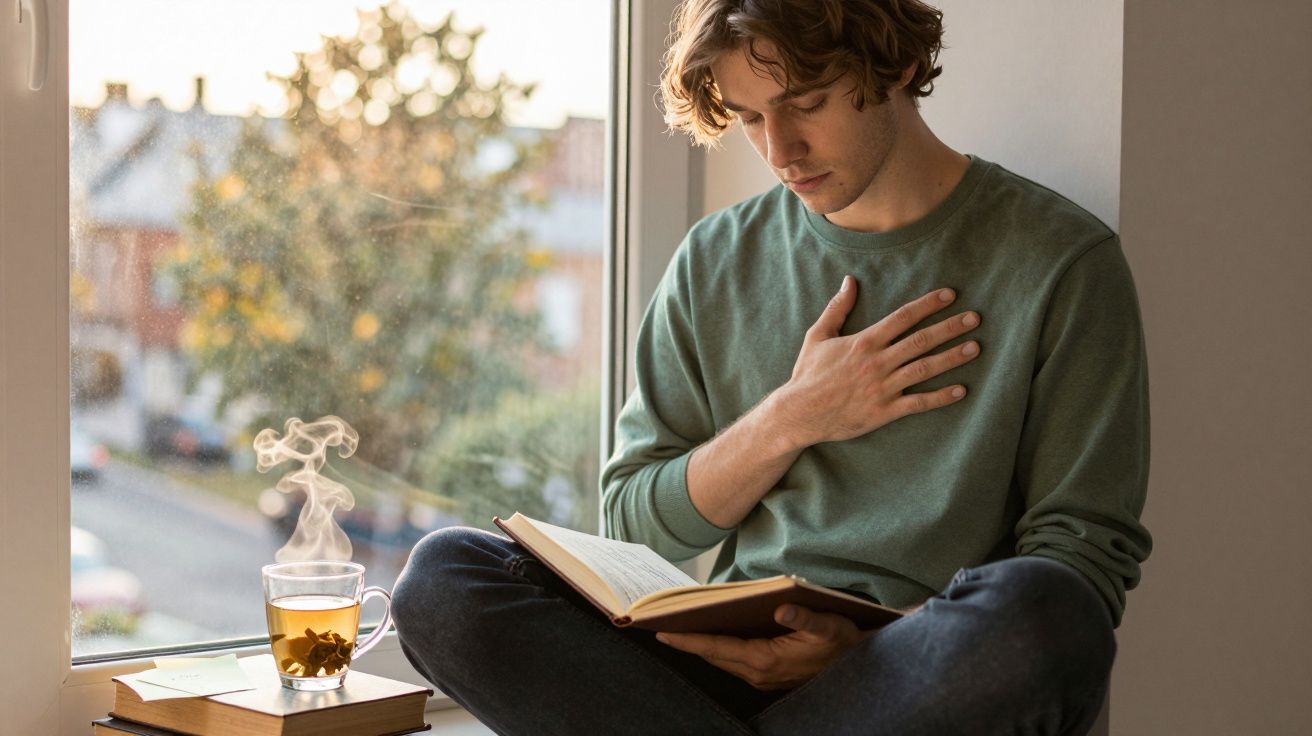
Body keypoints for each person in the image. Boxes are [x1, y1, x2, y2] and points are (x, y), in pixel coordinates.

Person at [391, 0, 1151, 733]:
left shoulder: (1060, 262)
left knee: (1047, 615)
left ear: (899, 63)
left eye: (806, 102)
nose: (780, 150)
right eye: (750, 117)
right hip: (711, 669)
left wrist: (864, 648)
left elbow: (1081, 558)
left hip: (906, 676)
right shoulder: (716, 259)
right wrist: (795, 416)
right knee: (442, 582)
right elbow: (634, 521)